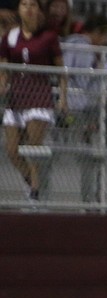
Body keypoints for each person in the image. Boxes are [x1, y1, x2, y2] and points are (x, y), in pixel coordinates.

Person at [0, 0, 66, 202]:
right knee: (12, 150)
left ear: (39, 10)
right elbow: (5, 67)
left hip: (38, 96)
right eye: (24, 4)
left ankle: (35, 195)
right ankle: (32, 182)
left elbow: (61, 71)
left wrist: (63, 96)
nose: (28, 9)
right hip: (16, 96)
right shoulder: (10, 37)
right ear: (19, 9)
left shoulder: (48, 37)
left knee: (33, 145)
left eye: (33, 5)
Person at [61, 12, 107, 202]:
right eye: (105, 36)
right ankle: (87, 198)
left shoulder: (74, 44)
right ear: (98, 32)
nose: (105, 41)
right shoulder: (82, 47)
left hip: (82, 107)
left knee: (89, 157)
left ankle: (90, 197)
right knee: (86, 156)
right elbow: (83, 79)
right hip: (80, 108)